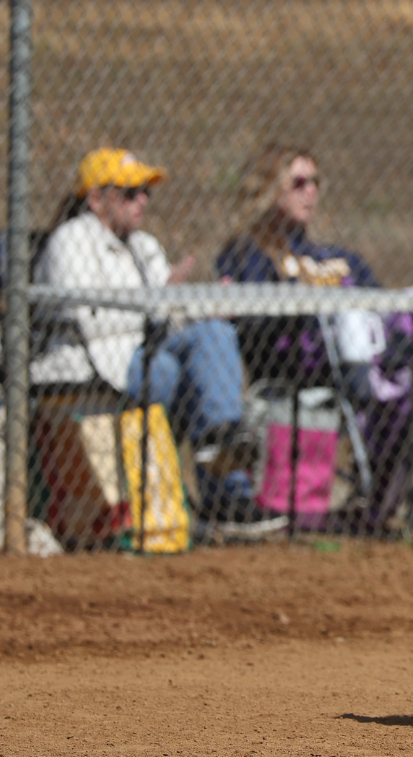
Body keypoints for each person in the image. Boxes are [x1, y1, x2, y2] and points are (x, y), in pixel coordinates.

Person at [216, 145, 413, 536]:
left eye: (316, 183)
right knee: (348, 316)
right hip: (311, 363)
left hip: (373, 351)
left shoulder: (339, 257)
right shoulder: (247, 254)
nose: (311, 192)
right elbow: (253, 322)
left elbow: (383, 306)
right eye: (299, 183)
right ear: (271, 190)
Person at [32, 148, 268, 527]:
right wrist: (158, 305)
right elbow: (87, 319)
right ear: (95, 199)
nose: (141, 200)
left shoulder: (143, 246)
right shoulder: (70, 241)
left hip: (145, 353)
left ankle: (223, 460)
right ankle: (220, 486)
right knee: (177, 375)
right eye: (129, 192)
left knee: (214, 333)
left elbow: (168, 314)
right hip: (96, 360)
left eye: (145, 192)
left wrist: (196, 307)